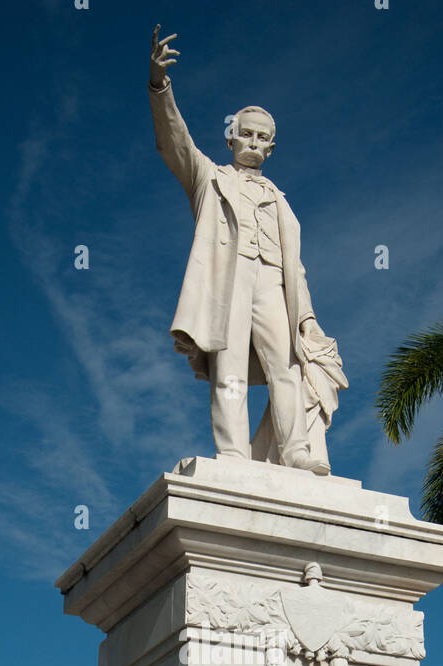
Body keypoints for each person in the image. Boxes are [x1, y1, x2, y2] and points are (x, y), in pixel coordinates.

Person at [148, 25, 346, 474]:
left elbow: (297, 270)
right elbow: (174, 142)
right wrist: (160, 86)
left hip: (273, 284)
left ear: (271, 148)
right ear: (230, 138)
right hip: (228, 281)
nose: (254, 143)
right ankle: (234, 454)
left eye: (262, 138)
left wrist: (308, 318)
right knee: (229, 368)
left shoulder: (281, 201)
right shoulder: (209, 178)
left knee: (289, 366)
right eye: (247, 135)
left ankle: (295, 449)